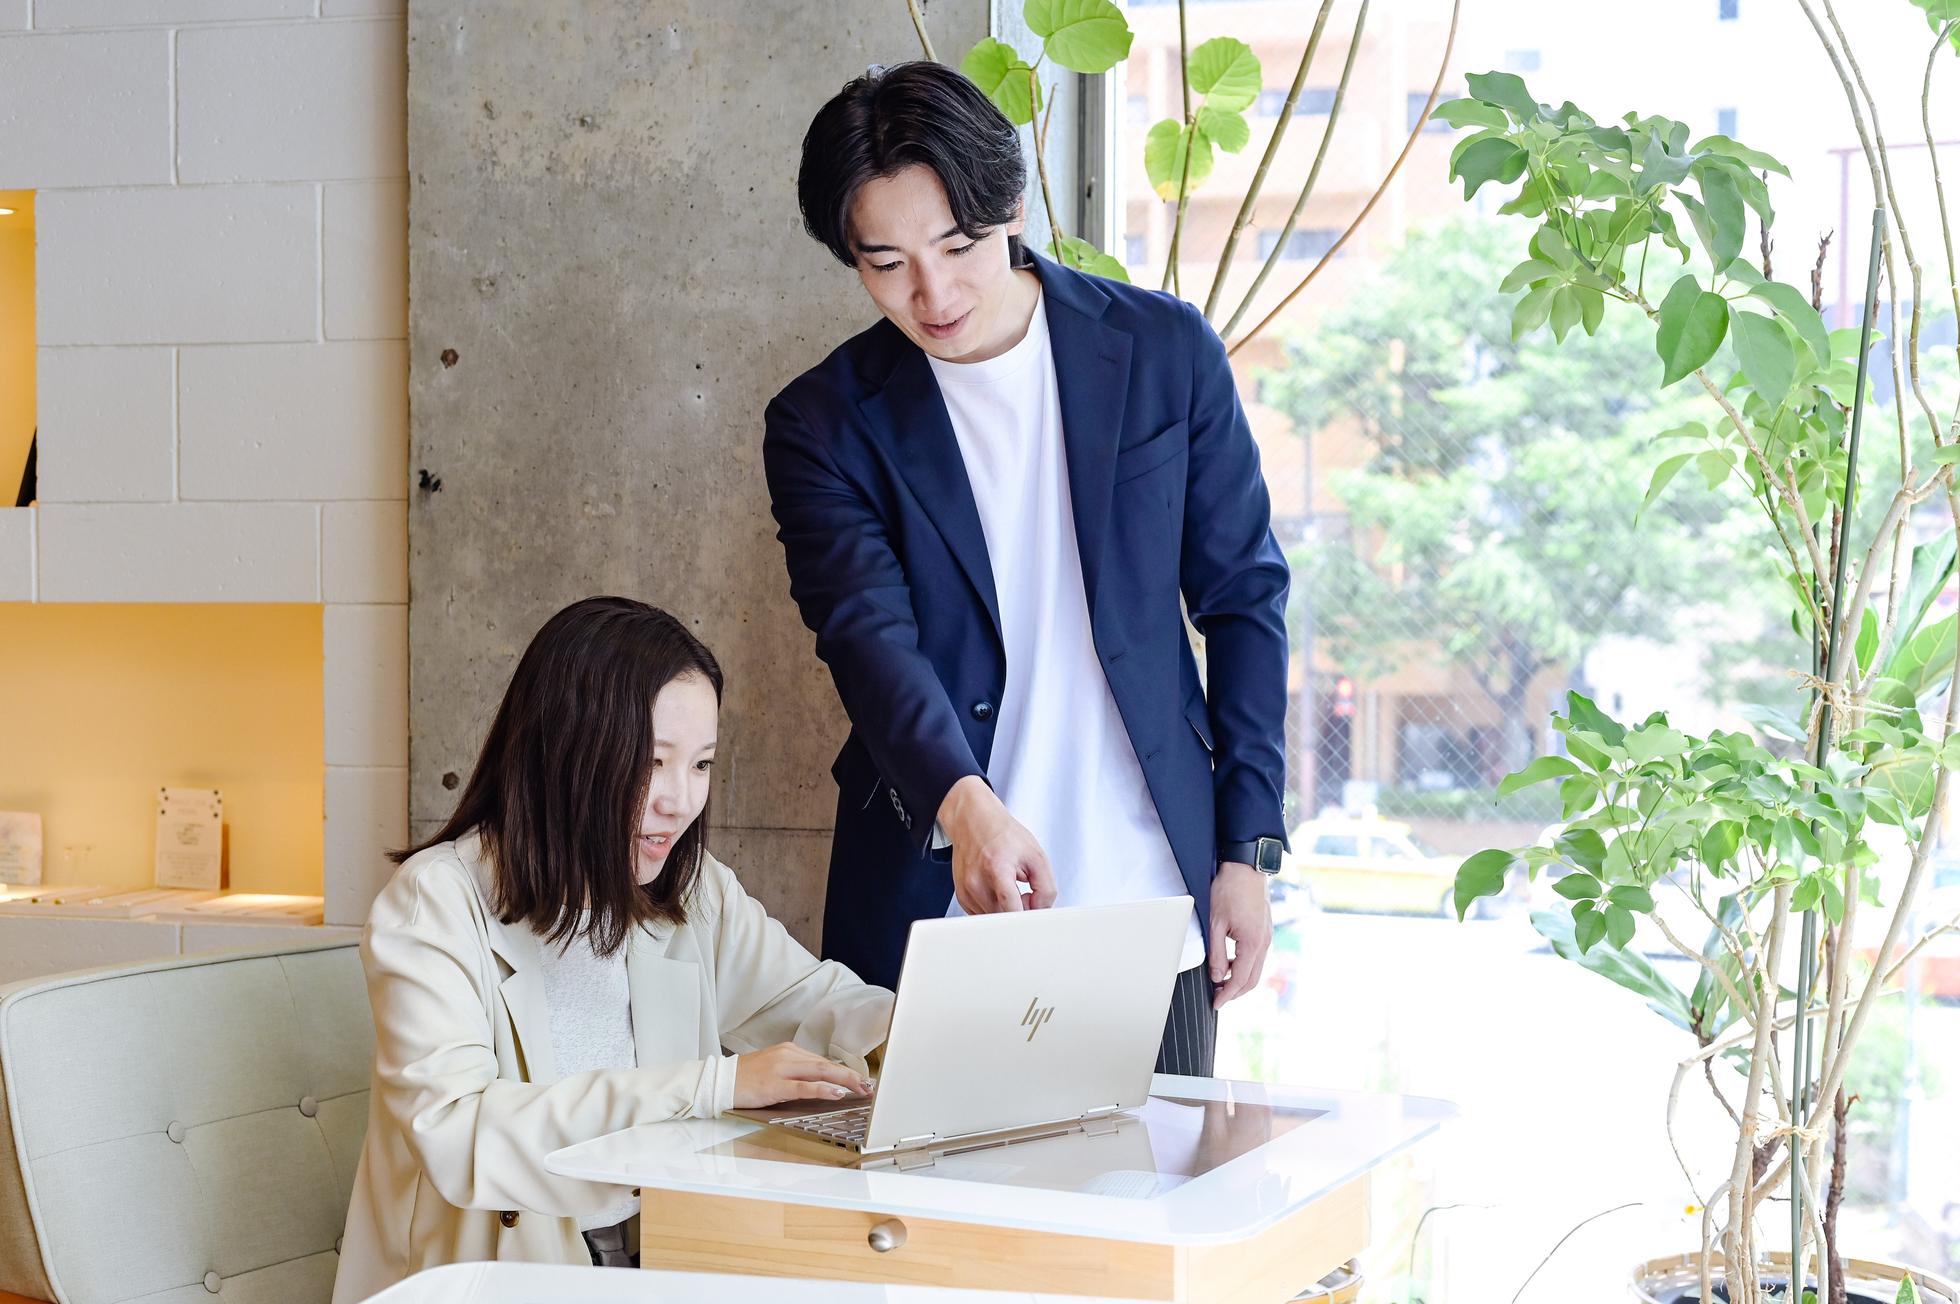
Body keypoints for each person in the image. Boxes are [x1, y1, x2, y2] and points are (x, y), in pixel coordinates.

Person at [764, 61, 1290, 1078]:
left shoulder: (1163, 351)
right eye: (886, 264)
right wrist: (966, 809)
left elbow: (1245, 598)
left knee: (1155, 1176)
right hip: (938, 899)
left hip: (1152, 896)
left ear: (1011, 208)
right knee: (930, 1185)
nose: (932, 293)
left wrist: (1247, 849)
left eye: (958, 246)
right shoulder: (824, 423)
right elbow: (867, 638)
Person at [332, 597, 892, 1302]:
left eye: (701, 764)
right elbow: (460, 1135)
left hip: (666, 1256)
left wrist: (929, 1029)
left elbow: (816, 1004)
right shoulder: (436, 901)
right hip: (489, 1281)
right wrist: (712, 1087)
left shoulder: (694, 889)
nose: (679, 801)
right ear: (564, 751)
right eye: (653, 761)